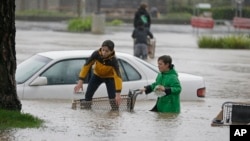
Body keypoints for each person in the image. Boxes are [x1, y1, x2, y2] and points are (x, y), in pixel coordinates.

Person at [74, 40, 122, 109]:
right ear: (101, 48)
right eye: (103, 50)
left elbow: (118, 77)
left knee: (113, 99)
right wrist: (80, 82)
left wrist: (118, 94)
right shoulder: (96, 54)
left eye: (107, 51)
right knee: (88, 96)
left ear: (111, 51)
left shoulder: (113, 61)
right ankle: (87, 113)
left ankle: (114, 115)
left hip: (109, 78)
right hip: (97, 76)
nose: (104, 53)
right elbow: (86, 66)